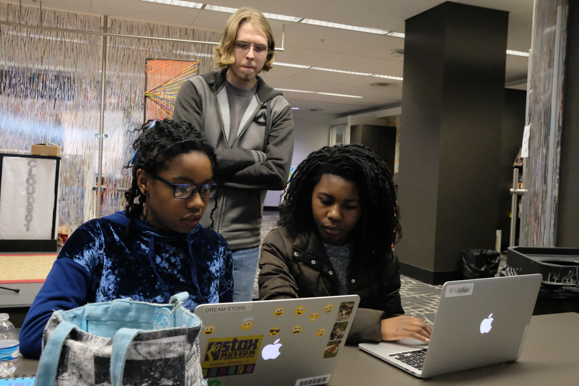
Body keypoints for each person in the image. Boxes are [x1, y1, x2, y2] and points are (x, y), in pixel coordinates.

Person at [20, 119, 233, 359]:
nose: (197, 202)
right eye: (182, 188)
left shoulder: (215, 249)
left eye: (206, 189)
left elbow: (223, 332)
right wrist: (139, 351)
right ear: (144, 182)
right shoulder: (96, 240)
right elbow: (36, 334)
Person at [172, 7, 294, 302]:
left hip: (243, 243)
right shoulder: (196, 91)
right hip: (188, 232)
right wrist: (255, 157)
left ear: (268, 53)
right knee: (179, 321)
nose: (251, 54)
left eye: (259, 47)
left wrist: (211, 163)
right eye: (243, 45)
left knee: (232, 333)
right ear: (229, 46)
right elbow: (185, 159)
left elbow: (277, 174)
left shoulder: (277, 107)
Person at [258, 144, 432, 345]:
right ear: (309, 197)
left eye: (350, 206)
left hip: (366, 361)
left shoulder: (380, 254)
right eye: (325, 201)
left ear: (366, 209)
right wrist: (374, 327)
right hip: (304, 355)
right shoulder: (280, 244)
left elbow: (392, 320)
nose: (334, 214)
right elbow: (283, 316)